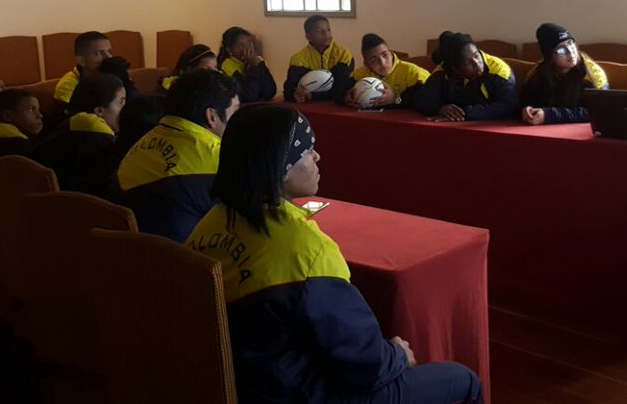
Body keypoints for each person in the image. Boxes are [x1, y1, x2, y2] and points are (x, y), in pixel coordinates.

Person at [186, 105, 483, 404]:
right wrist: (397, 354)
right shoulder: (306, 251)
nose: (317, 157)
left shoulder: (208, 224)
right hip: (300, 393)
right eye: (308, 151)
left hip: (239, 381)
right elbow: (365, 366)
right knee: (463, 379)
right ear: (282, 167)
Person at [115, 70, 240, 242]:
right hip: (186, 253)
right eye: (235, 113)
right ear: (211, 116)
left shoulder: (140, 145)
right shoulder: (220, 156)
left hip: (129, 247)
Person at [32, 73, 126, 197]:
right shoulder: (101, 143)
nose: (126, 109)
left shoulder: (66, 125)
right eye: (121, 103)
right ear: (99, 110)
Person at [413, 32, 517, 121]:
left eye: (476, 55)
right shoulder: (443, 70)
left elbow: (508, 106)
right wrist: (440, 108)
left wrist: (463, 113)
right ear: (455, 69)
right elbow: (422, 98)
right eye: (468, 63)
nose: (477, 64)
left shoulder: (499, 71)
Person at [519, 23, 608, 125]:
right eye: (561, 50)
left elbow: (598, 111)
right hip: (545, 129)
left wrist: (549, 115)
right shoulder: (538, 72)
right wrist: (526, 108)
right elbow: (525, 99)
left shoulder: (593, 75)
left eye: (570, 43)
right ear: (549, 57)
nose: (570, 52)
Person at [338, 34, 430, 109]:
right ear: (366, 64)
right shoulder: (360, 74)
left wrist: (395, 99)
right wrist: (345, 98)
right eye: (374, 60)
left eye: (385, 55)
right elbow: (339, 91)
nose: (382, 63)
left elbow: (428, 100)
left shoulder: (412, 73)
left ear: (391, 53)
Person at [284, 15, 355, 103]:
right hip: (308, 105)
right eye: (320, 31)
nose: (326, 34)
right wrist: (295, 94)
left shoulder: (343, 55)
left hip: (336, 102)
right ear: (308, 37)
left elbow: (340, 88)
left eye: (328, 30)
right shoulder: (298, 60)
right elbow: (288, 90)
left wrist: (313, 96)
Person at [0, 88, 43, 157]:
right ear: (7, 116)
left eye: (38, 110)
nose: (40, 115)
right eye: (31, 110)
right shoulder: (19, 146)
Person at [53, 31, 113, 108]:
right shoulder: (67, 87)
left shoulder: (111, 75)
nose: (108, 57)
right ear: (82, 60)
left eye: (109, 52)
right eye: (98, 53)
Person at [218, 26, 277, 103]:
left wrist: (260, 65)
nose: (247, 48)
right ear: (229, 50)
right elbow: (248, 96)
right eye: (241, 45)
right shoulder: (228, 66)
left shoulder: (256, 60)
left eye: (249, 43)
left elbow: (270, 91)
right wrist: (253, 66)